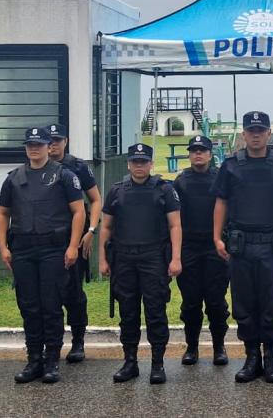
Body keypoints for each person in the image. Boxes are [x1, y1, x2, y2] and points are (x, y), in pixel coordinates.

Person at [212, 111, 273, 384]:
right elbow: (221, 203)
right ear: (243, 134)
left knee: (270, 303)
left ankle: (272, 360)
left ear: (268, 133)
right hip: (240, 245)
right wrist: (217, 237)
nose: (255, 134)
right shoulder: (230, 166)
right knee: (244, 304)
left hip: (272, 245)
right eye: (250, 130)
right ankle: (252, 359)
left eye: (260, 130)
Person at [0, 127, 86, 384]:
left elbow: (78, 211)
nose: (34, 148)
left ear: (49, 147)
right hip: (23, 249)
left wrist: (73, 246)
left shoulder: (64, 176)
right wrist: (3, 247)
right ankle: (34, 359)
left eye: (39, 144)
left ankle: (51, 361)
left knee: (51, 305)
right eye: (30, 144)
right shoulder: (14, 178)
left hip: (53, 249)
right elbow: (3, 214)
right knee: (29, 306)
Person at [98, 143, 182, 384]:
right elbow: (106, 227)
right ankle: (130, 362)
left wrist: (176, 258)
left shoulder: (164, 190)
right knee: (128, 312)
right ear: (128, 164)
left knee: (155, 311)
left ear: (151, 164)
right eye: (135, 161)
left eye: (143, 161)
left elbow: (175, 225)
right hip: (123, 258)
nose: (139, 165)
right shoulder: (116, 190)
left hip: (153, 257)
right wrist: (102, 259)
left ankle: (157, 364)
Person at [47, 123, 103, 364]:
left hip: (75, 237)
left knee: (73, 293)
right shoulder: (35, 167)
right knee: (48, 295)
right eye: (49, 141)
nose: (52, 145)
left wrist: (91, 230)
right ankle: (51, 344)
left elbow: (96, 200)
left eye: (57, 140)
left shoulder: (78, 166)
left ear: (65, 141)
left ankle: (78, 341)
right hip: (47, 240)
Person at [174, 134, 229, 366]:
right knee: (191, 302)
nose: (198, 154)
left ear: (210, 154)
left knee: (216, 301)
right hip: (189, 248)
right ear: (189, 154)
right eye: (194, 150)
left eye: (202, 150)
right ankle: (192, 347)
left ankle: (219, 347)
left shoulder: (221, 179)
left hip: (215, 248)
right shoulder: (180, 181)